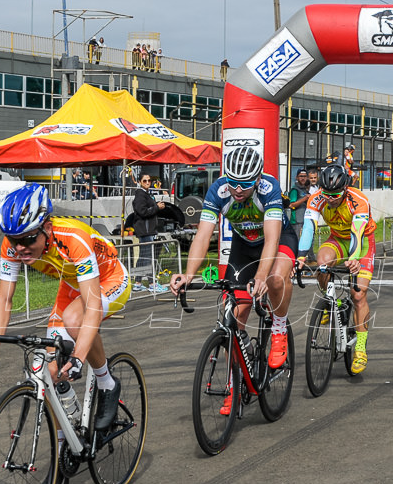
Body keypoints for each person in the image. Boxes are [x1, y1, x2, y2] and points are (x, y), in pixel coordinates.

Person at [0, 184, 130, 433]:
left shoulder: (73, 239)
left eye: (28, 239)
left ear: (48, 229)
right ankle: (66, 443)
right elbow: (4, 298)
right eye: (14, 240)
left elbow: (92, 303)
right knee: (46, 369)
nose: (20, 248)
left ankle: (106, 383)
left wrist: (78, 357)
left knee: (74, 319)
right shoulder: (13, 245)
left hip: (109, 279)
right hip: (72, 285)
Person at [169, 146, 297, 386]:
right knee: (234, 322)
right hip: (244, 244)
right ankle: (234, 385)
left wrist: (260, 277)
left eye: (245, 184)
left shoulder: (269, 189)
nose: (238, 190)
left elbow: (271, 240)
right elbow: (203, 236)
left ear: (257, 179)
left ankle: (279, 329)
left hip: (278, 239)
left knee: (275, 280)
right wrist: (188, 274)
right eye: (233, 183)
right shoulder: (218, 190)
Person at [295, 163, 377, 375]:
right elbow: (309, 228)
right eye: (327, 193)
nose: (331, 198)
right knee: (321, 264)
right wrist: (301, 256)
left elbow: (357, 234)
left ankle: (360, 348)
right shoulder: (317, 198)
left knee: (358, 295)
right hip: (337, 239)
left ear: (345, 188)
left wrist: (354, 259)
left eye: (336, 194)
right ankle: (332, 302)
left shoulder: (358, 200)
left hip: (362, 242)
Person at [131, 172, 166, 290]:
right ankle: (152, 283)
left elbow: (147, 210)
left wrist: (156, 207)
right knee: (147, 257)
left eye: (149, 181)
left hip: (148, 229)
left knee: (143, 257)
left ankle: (137, 283)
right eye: (145, 181)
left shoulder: (147, 194)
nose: (147, 183)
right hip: (145, 230)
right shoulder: (140, 195)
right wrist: (156, 207)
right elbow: (142, 212)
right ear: (140, 182)